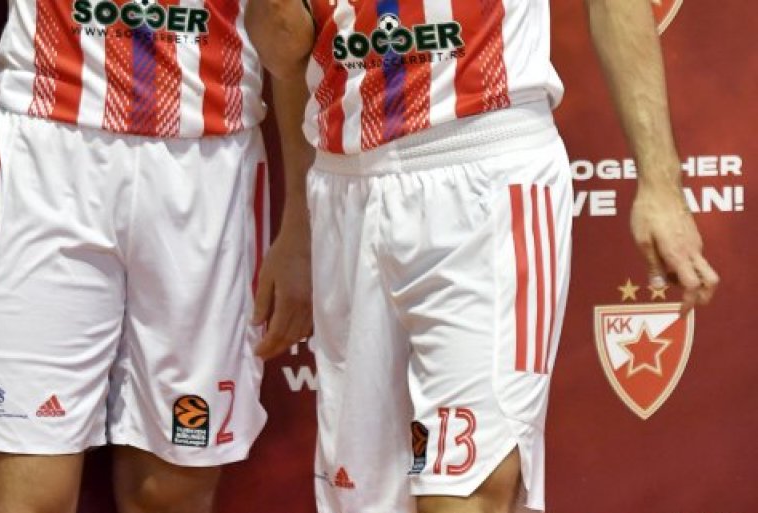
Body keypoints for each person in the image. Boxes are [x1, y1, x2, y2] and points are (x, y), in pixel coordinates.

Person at [246, 0, 719, 512]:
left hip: (483, 166)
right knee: (364, 500)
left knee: (469, 491)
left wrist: (660, 183)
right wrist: (297, 224)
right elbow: (283, 51)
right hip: (346, 182)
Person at [0, 1, 312, 512]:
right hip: (50, 154)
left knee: (169, 495)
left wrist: (301, 220)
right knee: (29, 493)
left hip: (208, 163)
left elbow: (292, 37)